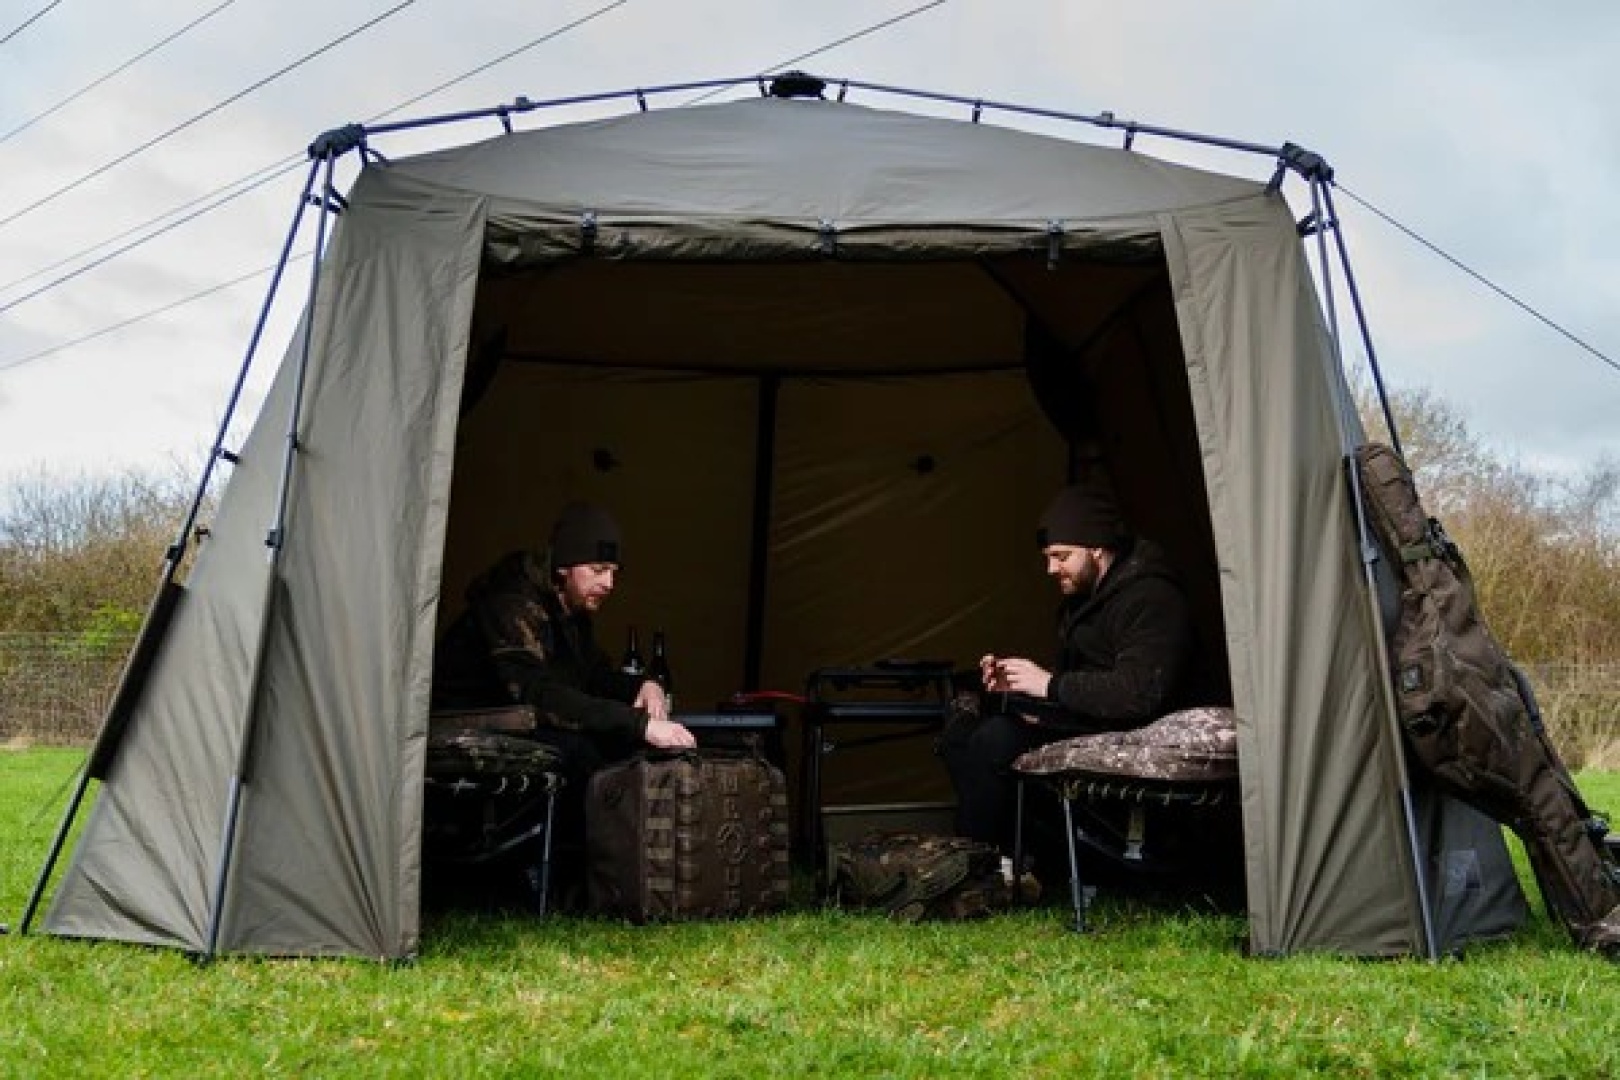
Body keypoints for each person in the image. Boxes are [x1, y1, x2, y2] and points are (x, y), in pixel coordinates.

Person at [430, 502, 695, 892]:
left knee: (613, 745)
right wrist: (640, 724)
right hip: (472, 721)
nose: (608, 584)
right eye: (598, 570)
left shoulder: (570, 608)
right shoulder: (512, 603)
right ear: (564, 568)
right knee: (583, 752)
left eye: (614, 574)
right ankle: (568, 884)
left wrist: (642, 687)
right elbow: (536, 694)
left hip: (521, 719)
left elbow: (593, 674)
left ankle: (627, 877)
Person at [939, 482, 1196, 852]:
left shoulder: (1151, 598)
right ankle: (993, 860)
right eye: (1047, 556)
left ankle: (990, 868)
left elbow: (1137, 693)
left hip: (1134, 727)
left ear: (1096, 549)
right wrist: (1019, 690)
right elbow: (1075, 681)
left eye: (1061, 556)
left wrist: (1048, 686)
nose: (1049, 568)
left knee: (995, 739)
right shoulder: (1081, 602)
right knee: (961, 733)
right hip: (1090, 720)